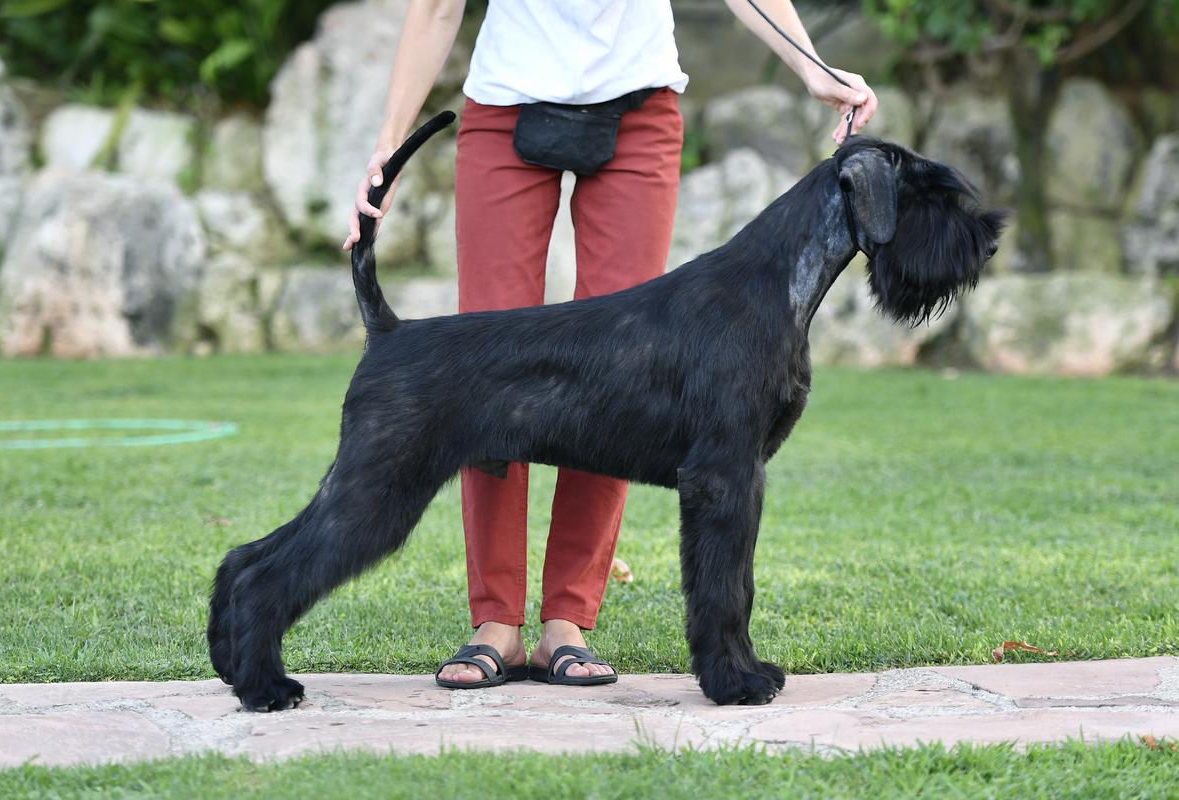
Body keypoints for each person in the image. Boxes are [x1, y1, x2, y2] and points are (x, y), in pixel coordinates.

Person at [343, 0, 878, 689]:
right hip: (506, 106)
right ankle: (495, 621)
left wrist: (812, 67)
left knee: (627, 371)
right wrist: (387, 144)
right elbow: (440, 6)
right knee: (483, 370)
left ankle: (568, 620)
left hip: (639, 111)